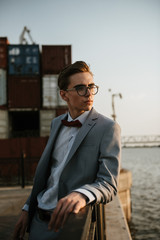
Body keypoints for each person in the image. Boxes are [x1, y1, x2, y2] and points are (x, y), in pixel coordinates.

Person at [13, 61, 121, 240]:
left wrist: (82, 194)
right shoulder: (56, 123)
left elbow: (109, 184)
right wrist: (27, 208)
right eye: (80, 88)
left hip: (72, 224)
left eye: (91, 87)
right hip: (38, 221)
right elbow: (49, 174)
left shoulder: (108, 127)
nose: (88, 93)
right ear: (64, 95)